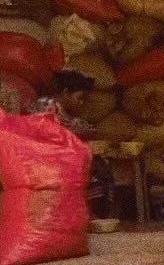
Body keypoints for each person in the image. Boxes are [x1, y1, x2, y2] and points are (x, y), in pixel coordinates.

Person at [30, 70, 116, 219]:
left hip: (60, 156)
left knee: (100, 166)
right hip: (43, 158)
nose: (82, 103)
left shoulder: (67, 113)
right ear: (65, 92)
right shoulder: (46, 106)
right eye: (79, 98)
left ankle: (91, 213)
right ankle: (86, 214)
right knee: (91, 169)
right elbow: (47, 134)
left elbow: (75, 126)